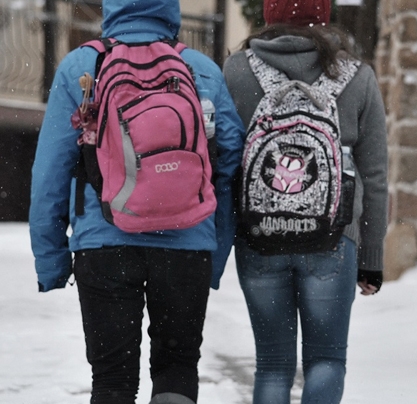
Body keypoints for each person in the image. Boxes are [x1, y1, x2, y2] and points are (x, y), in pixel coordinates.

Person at [28, 1, 244, 403]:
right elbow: (230, 163)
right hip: (186, 244)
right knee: (177, 368)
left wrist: (51, 259)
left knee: (112, 379)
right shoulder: (201, 70)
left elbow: (50, 172)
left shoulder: (82, 67)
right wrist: (215, 250)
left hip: (104, 243)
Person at [222, 0, 388, 403]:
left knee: (273, 365)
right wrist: (372, 256)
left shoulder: (237, 71)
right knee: (327, 361)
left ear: (268, 13)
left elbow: (222, 160)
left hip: (260, 235)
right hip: (333, 237)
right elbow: (376, 175)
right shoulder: (357, 76)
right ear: (324, 14)